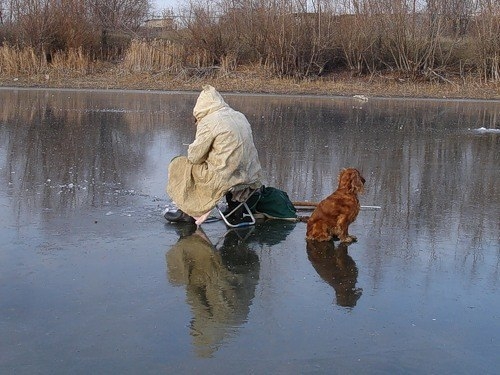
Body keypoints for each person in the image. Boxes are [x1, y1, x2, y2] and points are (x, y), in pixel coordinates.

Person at [165, 85, 263, 225]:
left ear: (201, 107)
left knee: (179, 164)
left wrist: (195, 149)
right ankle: (236, 210)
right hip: (250, 175)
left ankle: (187, 211)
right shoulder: (239, 116)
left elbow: (195, 157)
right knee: (231, 164)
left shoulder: (209, 122)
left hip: (225, 179)